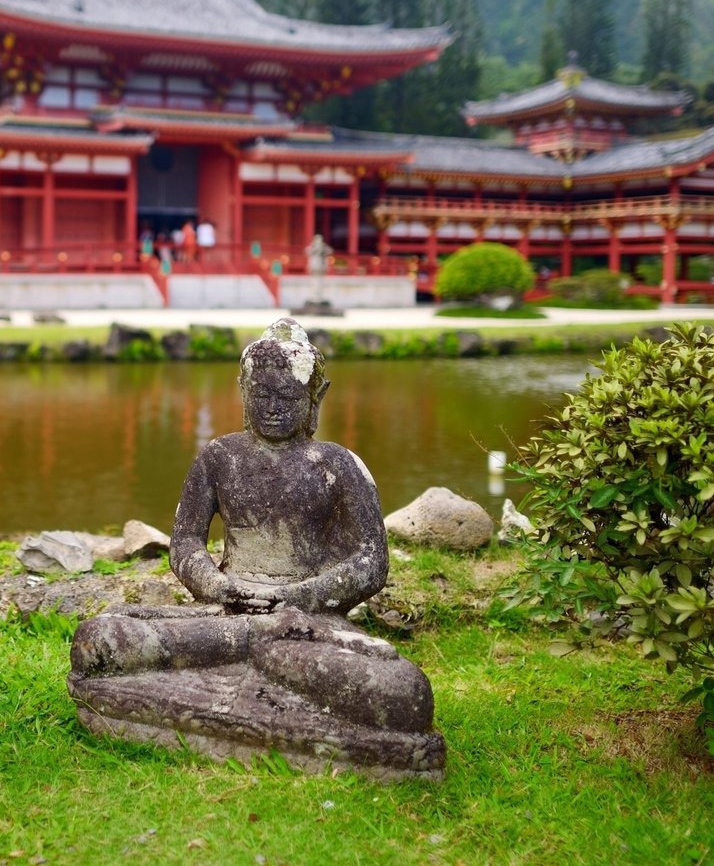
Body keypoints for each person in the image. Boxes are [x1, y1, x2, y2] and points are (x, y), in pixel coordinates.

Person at [69, 319, 438, 763]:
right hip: (224, 616)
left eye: (288, 397)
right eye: (262, 394)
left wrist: (297, 596)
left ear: (315, 397)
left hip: (303, 624)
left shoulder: (337, 464)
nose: (273, 408)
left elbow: (370, 563)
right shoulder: (220, 457)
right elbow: (186, 543)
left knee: (405, 695)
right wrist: (217, 585)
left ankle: (243, 666)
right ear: (243, 390)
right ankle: (253, 663)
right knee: (97, 640)